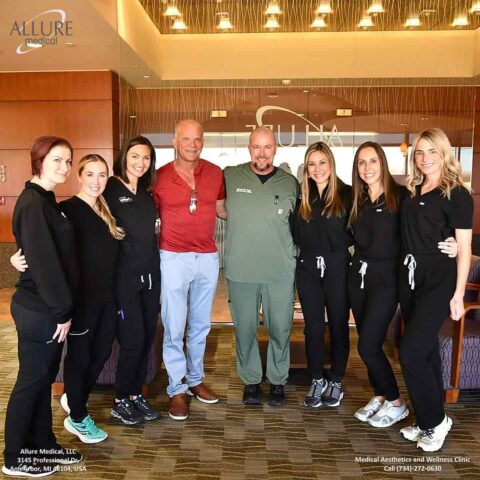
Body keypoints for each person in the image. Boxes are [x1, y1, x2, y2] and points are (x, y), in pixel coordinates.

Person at [10, 154, 124, 443]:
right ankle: (77, 415)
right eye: (90, 175)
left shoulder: (106, 210)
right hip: (81, 300)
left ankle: (75, 400)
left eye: (102, 175)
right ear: (79, 176)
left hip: (107, 300)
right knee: (80, 358)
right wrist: (16, 257)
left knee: (100, 354)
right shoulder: (66, 210)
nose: (97, 181)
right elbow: (43, 247)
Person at [348, 142, 457, 429]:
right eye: (361, 162)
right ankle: (381, 395)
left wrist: (453, 241)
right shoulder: (357, 199)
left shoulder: (402, 196)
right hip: (358, 277)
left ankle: (396, 402)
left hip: (390, 279)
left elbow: (428, 223)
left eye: (373, 161)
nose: (367, 168)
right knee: (367, 341)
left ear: (382, 163)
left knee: (368, 346)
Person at [3, 136, 82, 478]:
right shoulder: (33, 202)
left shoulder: (46, 199)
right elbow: (46, 265)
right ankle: (16, 457)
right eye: (57, 160)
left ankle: (42, 446)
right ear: (38, 161)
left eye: (67, 161)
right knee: (31, 382)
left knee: (43, 379)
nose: (64, 167)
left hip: (48, 306)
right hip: (41, 309)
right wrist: (62, 311)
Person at [398, 129, 472, 452]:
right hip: (409, 276)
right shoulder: (412, 189)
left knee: (410, 353)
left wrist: (458, 295)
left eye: (432, 152)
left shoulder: (457, 193)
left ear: (444, 154)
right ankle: (429, 416)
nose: (425, 159)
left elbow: (465, 248)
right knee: (426, 353)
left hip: (438, 279)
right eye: (419, 153)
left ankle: (436, 423)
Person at [153, 119, 226, 421]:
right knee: (174, 326)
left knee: (200, 326)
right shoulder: (158, 178)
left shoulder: (215, 173)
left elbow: (223, 210)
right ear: (174, 141)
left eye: (198, 139)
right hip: (173, 257)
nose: (192, 144)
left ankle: (195, 380)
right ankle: (176, 388)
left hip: (207, 257)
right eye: (186, 139)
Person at [224, 126, 299, 407]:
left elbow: (299, 224)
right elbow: (218, 206)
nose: (262, 153)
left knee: (280, 328)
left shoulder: (290, 183)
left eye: (267, 147)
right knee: (245, 328)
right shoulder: (231, 176)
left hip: (280, 270)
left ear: (276, 149)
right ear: (249, 147)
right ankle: (251, 380)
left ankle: (278, 380)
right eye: (257, 146)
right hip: (241, 269)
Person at [103, 136, 161, 425]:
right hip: (124, 279)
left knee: (147, 336)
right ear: (124, 156)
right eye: (135, 156)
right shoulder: (110, 189)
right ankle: (120, 399)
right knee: (132, 338)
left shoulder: (147, 193)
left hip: (151, 275)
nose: (141, 162)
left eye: (147, 158)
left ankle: (136, 394)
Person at [293, 142, 352, 408]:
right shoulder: (301, 198)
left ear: (331, 164)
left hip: (338, 267)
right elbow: (294, 234)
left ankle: (336, 380)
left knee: (339, 325)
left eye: (322, 163)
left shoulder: (348, 194)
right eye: (312, 164)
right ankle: (317, 379)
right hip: (307, 269)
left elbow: (360, 230)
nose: (317, 169)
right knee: (313, 328)